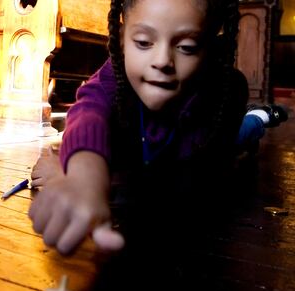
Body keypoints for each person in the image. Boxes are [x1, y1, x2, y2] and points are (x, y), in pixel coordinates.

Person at [29, 0, 253, 255]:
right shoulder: (114, 73)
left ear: (212, 49)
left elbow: (181, 188)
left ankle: (259, 117)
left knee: (246, 133)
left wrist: (65, 173)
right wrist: (83, 176)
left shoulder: (226, 92)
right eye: (144, 43)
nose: (162, 61)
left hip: (220, 144)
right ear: (123, 40)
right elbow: (88, 113)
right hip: (149, 152)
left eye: (186, 47)